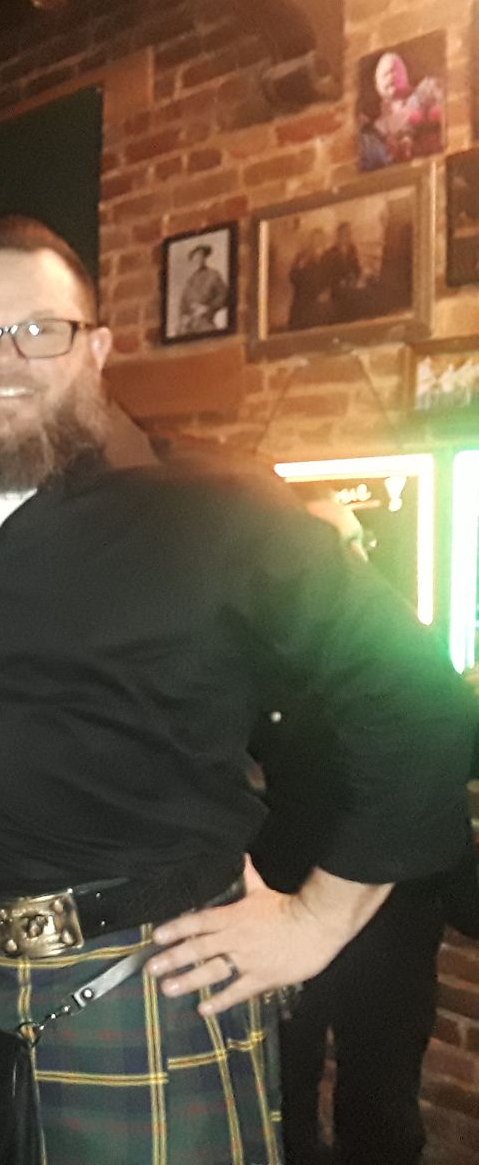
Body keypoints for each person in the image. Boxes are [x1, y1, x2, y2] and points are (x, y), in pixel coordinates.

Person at [0, 216, 474, 1162]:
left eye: (41, 330)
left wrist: (320, 920)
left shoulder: (216, 509)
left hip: (152, 986)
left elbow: (422, 702)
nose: (6, 359)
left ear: (98, 349)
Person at [250, 485, 464, 1165]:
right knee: (284, 1081)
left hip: (396, 900)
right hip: (292, 891)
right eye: (328, 551)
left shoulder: (402, 645)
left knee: (383, 1089)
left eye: (353, 545)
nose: (346, 563)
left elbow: (446, 749)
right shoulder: (268, 657)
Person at [175, 243, 227, 336]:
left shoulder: (213, 275)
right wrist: (184, 318)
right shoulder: (189, 281)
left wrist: (207, 308)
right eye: (195, 257)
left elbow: (224, 296)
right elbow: (183, 304)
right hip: (188, 325)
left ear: (204, 258)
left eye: (201, 256)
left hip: (205, 322)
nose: (198, 259)